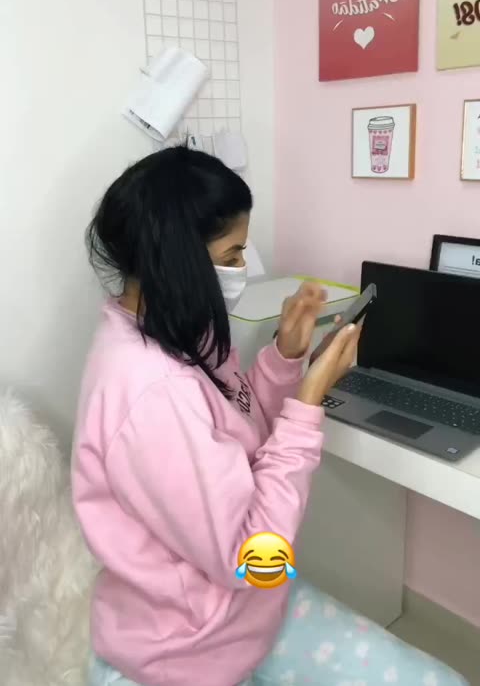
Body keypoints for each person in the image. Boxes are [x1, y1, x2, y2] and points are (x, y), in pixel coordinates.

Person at [72, 146, 468, 686]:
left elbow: (236, 427)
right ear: (179, 258)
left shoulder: (180, 333)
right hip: (186, 656)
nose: (245, 268)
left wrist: (285, 356)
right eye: (233, 254)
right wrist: (307, 405)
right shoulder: (152, 394)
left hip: (242, 618)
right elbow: (254, 557)